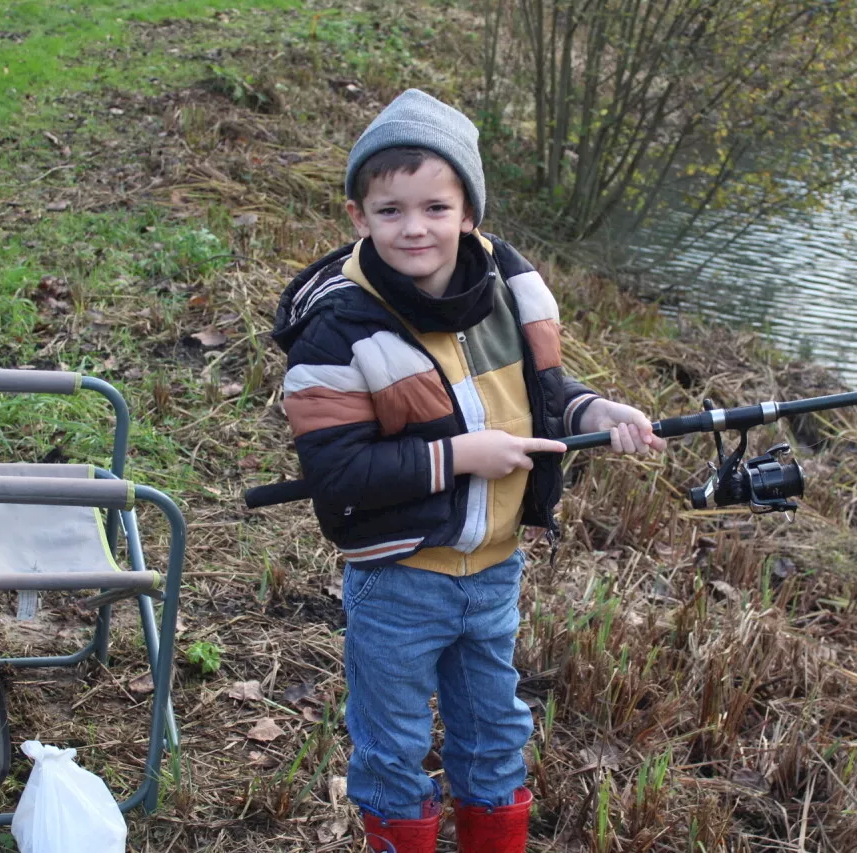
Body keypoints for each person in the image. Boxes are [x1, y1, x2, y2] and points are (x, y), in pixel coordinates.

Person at [271, 89, 665, 853]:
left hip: (493, 573)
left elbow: (546, 397)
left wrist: (595, 413)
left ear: (469, 213)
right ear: (358, 217)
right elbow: (340, 474)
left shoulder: (507, 295)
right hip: (398, 577)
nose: (414, 227)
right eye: (390, 211)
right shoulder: (335, 329)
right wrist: (459, 457)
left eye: (435, 207)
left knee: (494, 738)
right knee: (392, 749)